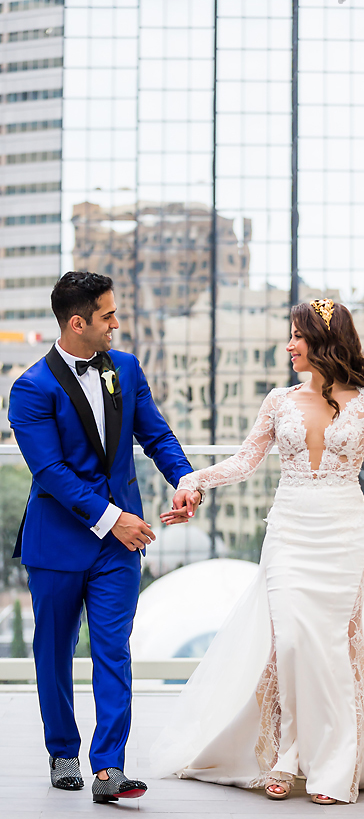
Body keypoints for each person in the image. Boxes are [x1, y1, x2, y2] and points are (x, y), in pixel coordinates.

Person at [151, 298, 364, 806]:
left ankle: (333, 767)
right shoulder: (278, 400)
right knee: (291, 642)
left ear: (323, 342)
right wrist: (193, 480)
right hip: (290, 533)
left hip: (344, 535)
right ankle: (285, 755)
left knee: (334, 649)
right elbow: (245, 462)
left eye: (297, 335)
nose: (289, 345)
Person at [8, 272, 200, 804]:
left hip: (121, 545)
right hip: (59, 543)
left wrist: (184, 479)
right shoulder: (29, 388)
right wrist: (113, 517)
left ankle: (108, 768)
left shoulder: (128, 369)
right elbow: (50, 471)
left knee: (113, 648)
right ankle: (62, 750)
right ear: (78, 323)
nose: (117, 324)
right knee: (55, 650)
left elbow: (156, 434)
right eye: (108, 316)